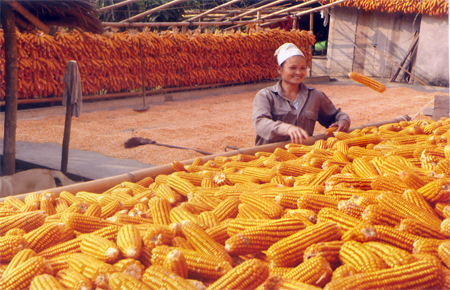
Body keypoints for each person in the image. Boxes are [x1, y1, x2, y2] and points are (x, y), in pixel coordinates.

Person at [252, 43, 350, 146]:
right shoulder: (266, 96)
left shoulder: (315, 96)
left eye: (303, 68)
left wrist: (343, 121)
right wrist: (286, 128)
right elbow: (260, 123)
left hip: (302, 157)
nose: (298, 72)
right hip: (269, 157)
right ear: (279, 69)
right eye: (293, 68)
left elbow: (334, 116)